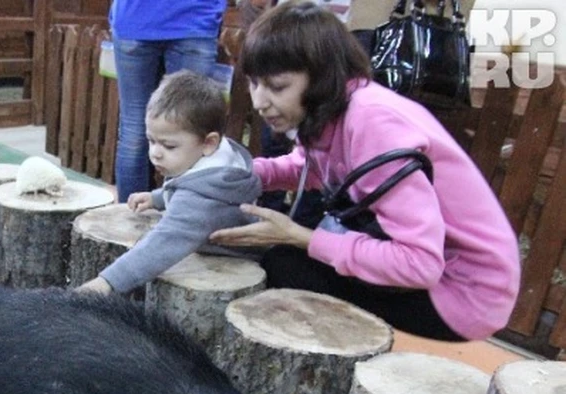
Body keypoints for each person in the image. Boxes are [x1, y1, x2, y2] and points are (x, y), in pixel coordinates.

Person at [209, 1, 520, 342]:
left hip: (464, 295)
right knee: (288, 256)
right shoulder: (338, 110)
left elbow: (419, 264)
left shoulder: (373, 123)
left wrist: (301, 236)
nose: (259, 101)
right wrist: (235, 172)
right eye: (254, 84)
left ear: (321, 78)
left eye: (278, 87)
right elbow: (306, 168)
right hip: (443, 276)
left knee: (286, 265)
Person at [78, 70, 262, 295]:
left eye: (169, 146)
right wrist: (157, 198)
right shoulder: (219, 162)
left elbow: (162, 245)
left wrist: (106, 283)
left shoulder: (200, 202)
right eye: (151, 140)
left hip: (228, 269)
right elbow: (190, 185)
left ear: (208, 143)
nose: (155, 153)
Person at [108, 0, 226, 203]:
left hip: (135, 17)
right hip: (194, 18)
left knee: (133, 130)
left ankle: (127, 221)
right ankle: (180, 216)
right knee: (190, 128)